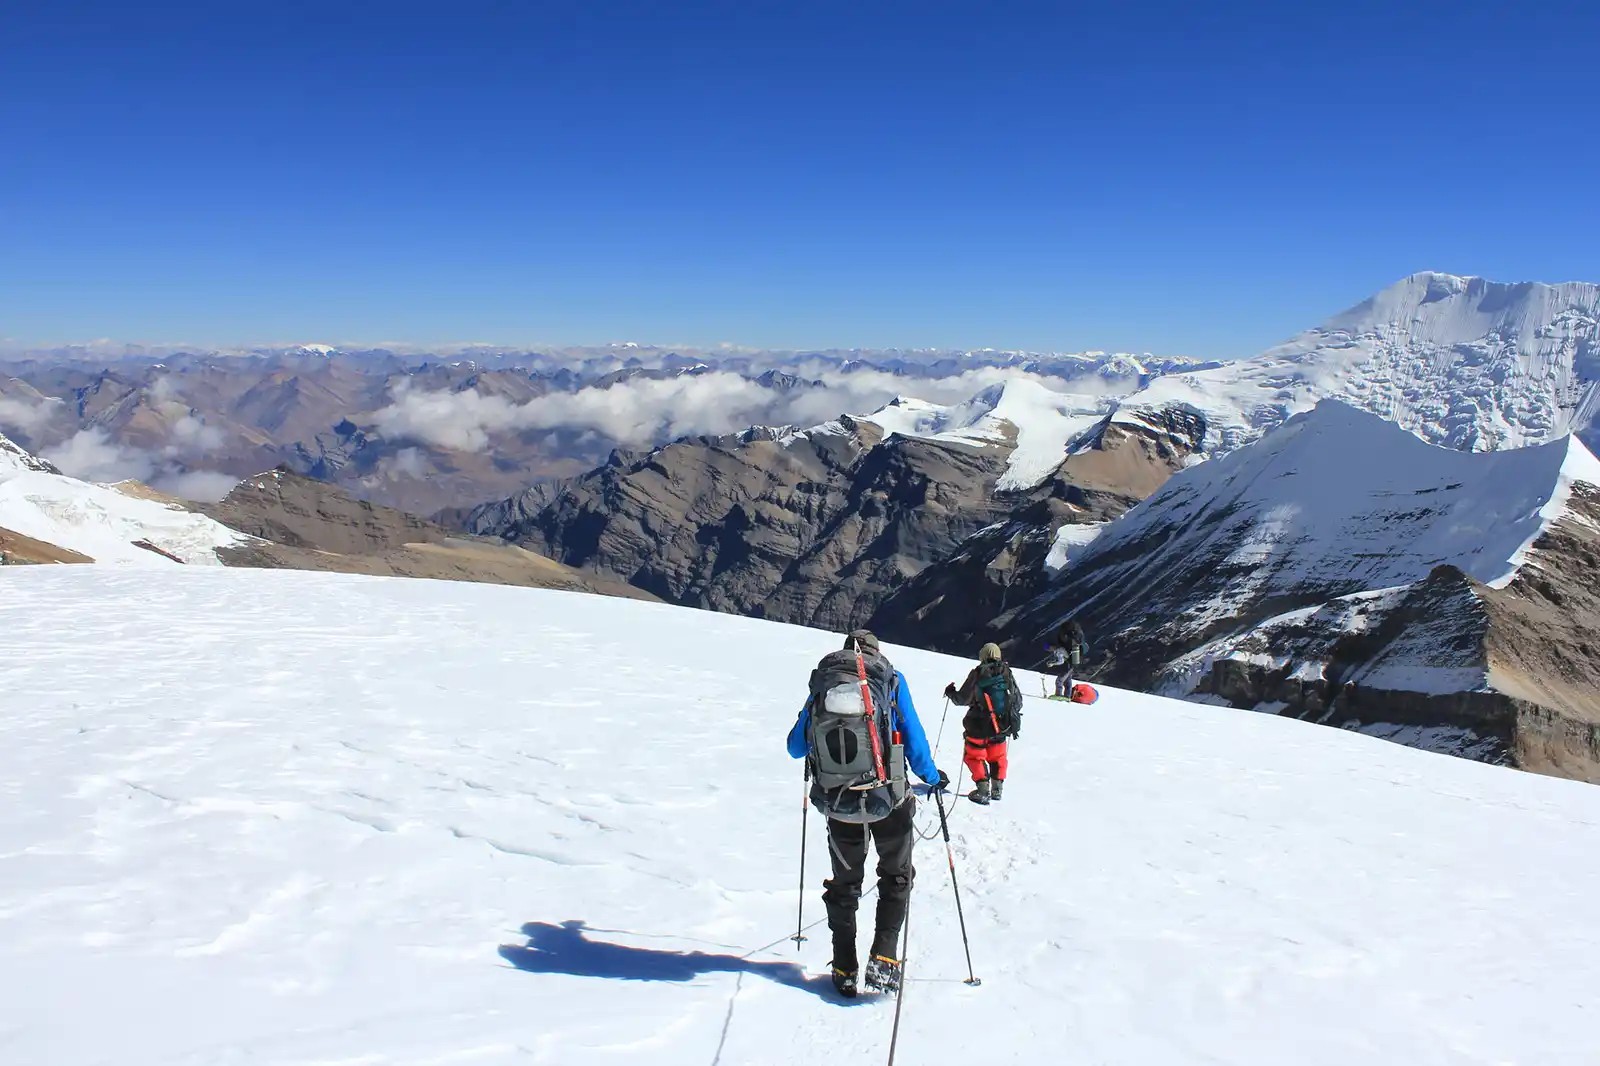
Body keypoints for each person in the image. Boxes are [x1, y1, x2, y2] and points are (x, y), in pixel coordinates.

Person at [787, 629, 948, 998]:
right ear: (877, 653)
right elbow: (912, 734)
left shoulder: (824, 685)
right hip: (887, 800)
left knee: (844, 885)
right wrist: (931, 776)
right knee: (896, 876)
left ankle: (844, 968)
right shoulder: (890, 680)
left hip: (839, 804)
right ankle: (885, 959)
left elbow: (796, 747)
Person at [944, 642, 1022, 805]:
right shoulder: (1007, 673)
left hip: (977, 725)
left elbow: (962, 699)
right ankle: (997, 789)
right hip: (1001, 726)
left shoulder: (978, 673)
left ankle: (982, 790)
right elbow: (1018, 700)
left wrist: (951, 693)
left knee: (974, 756)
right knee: (998, 757)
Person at [1044, 619, 1089, 697]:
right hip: (1072, 663)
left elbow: (1061, 660)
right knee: (1067, 680)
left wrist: (1052, 663)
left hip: (1069, 665)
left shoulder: (1061, 648)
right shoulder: (1068, 643)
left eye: (1049, 648)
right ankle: (1067, 696)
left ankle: (1059, 695)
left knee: (1059, 681)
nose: (1049, 649)